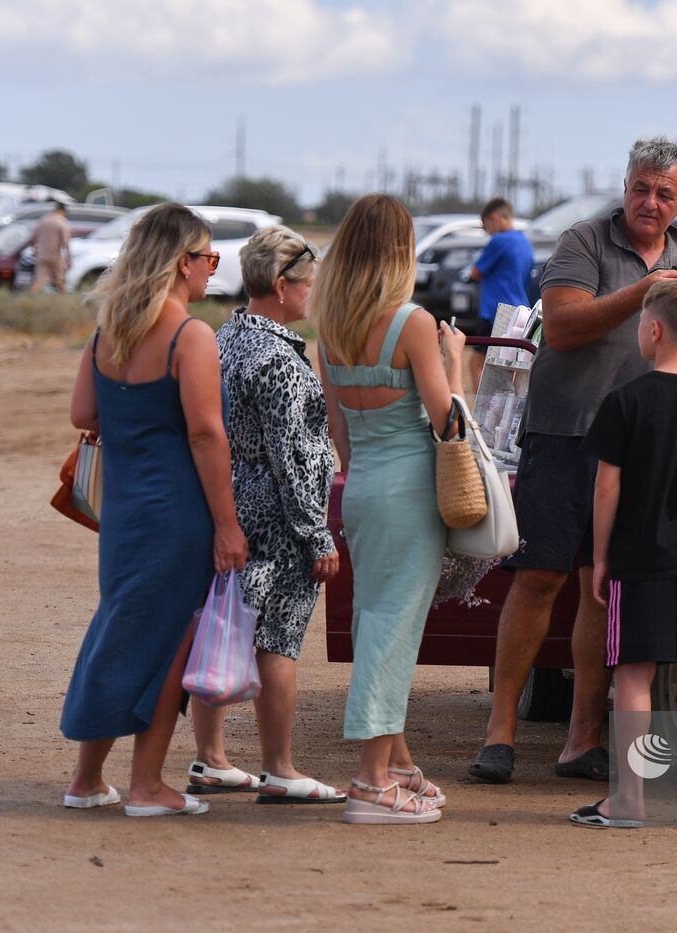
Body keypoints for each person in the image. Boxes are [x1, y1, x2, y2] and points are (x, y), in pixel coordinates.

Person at [468, 136, 677, 785]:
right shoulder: (583, 241)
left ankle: (582, 739)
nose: (648, 201)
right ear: (625, 184)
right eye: (640, 187)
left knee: (600, 587)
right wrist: (642, 292)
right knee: (539, 578)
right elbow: (560, 327)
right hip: (562, 434)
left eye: (662, 193)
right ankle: (499, 732)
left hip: (637, 451)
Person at [60, 203, 247, 817]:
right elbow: (206, 435)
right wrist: (226, 523)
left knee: (117, 632)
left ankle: (88, 779)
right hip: (177, 515)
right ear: (181, 264)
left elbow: (84, 415)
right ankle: (145, 786)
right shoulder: (190, 335)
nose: (211, 272)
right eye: (209, 258)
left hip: (124, 515)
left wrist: (135, 422)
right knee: (169, 647)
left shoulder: (107, 331)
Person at [313, 193, 466, 825]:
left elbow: (338, 433)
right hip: (409, 489)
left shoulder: (330, 325)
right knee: (392, 627)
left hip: (362, 488)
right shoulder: (412, 322)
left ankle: (397, 762)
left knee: (380, 616)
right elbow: (446, 420)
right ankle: (371, 781)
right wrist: (456, 364)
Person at [570, 278, 677, 828]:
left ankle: (630, 799)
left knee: (635, 675)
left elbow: (606, 488)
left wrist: (600, 557)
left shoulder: (626, 402)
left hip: (641, 555)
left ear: (656, 329)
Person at [186, 226, 345, 804]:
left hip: (226, 504)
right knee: (277, 641)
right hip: (275, 520)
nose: (313, 295)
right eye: (308, 285)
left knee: (222, 627)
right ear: (281, 287)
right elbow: (294, 458)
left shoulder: (225, 339)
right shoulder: (280, 359)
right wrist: (316, 534)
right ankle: (279, 767)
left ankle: (212, 758)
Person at [465, 197, 534, 389]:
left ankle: (482, 412)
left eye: (487, 226)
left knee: (477, 363)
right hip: (520, 312)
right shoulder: (525, 242)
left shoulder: (499, 241)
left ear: (495, 218)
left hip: (495, 312)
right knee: (508, 368)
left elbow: (476, 272)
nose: (488, 232)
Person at [32, 201, 71, 293]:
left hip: (42, 255)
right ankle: (62, 299)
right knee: (60, 278)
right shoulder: (62, 222)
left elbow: (33, 238)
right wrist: (68, 257)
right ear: (63, 211)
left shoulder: (43, 220)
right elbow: (65, 241)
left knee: (40, 278)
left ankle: (31, 296)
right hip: (55, 255)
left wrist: (35, 250)